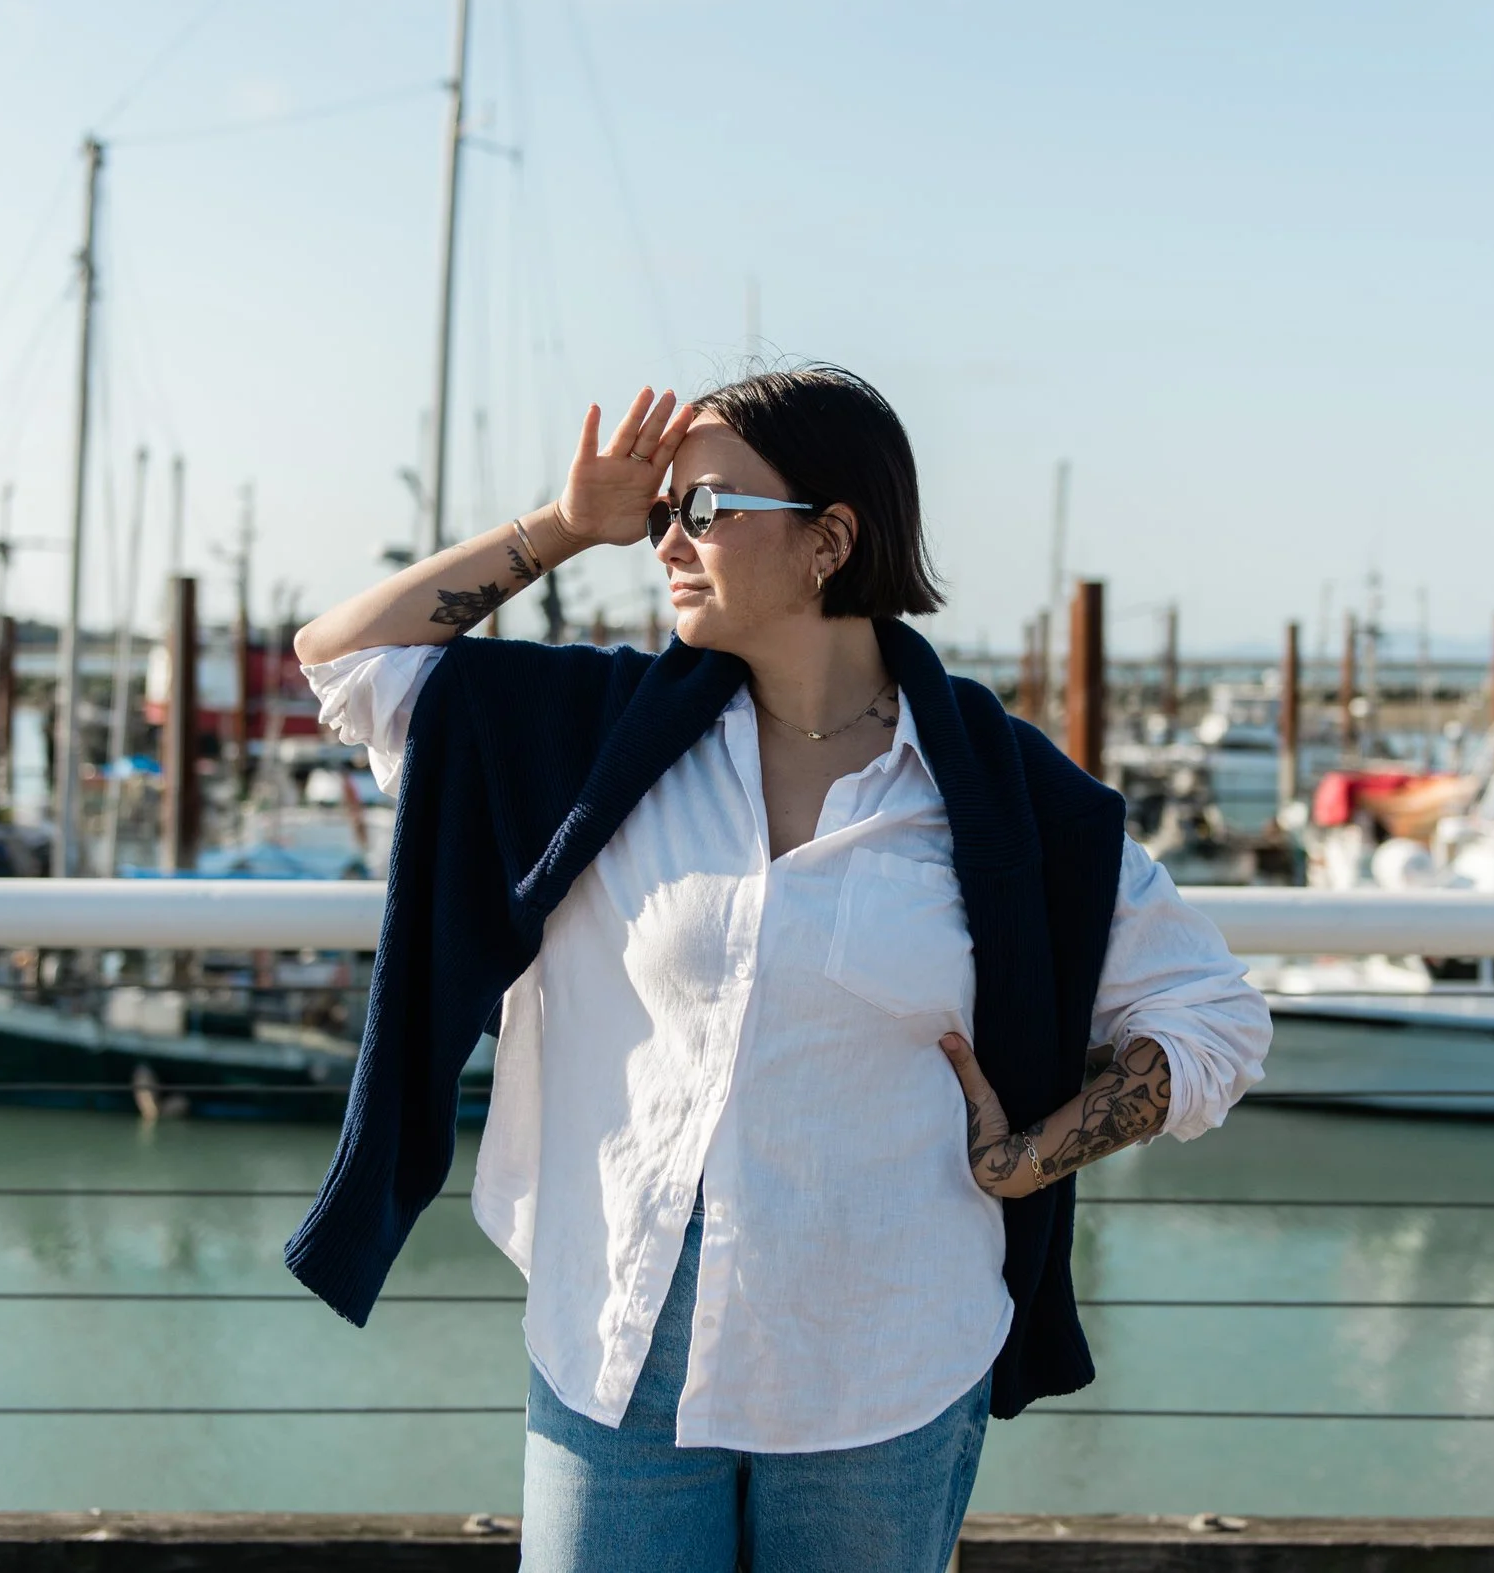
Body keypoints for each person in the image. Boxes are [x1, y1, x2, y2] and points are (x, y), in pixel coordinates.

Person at [287, 367, 1270, 1572]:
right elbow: (341, 661)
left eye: (700, 508)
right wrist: (561, 525)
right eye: (659, 513)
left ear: (830, 540)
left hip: (883, 1373)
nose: (662, 540)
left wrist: (1037, 1156)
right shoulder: (595, 734)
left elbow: (1213, 1017)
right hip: (616, 1352)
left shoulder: (1005, 795)